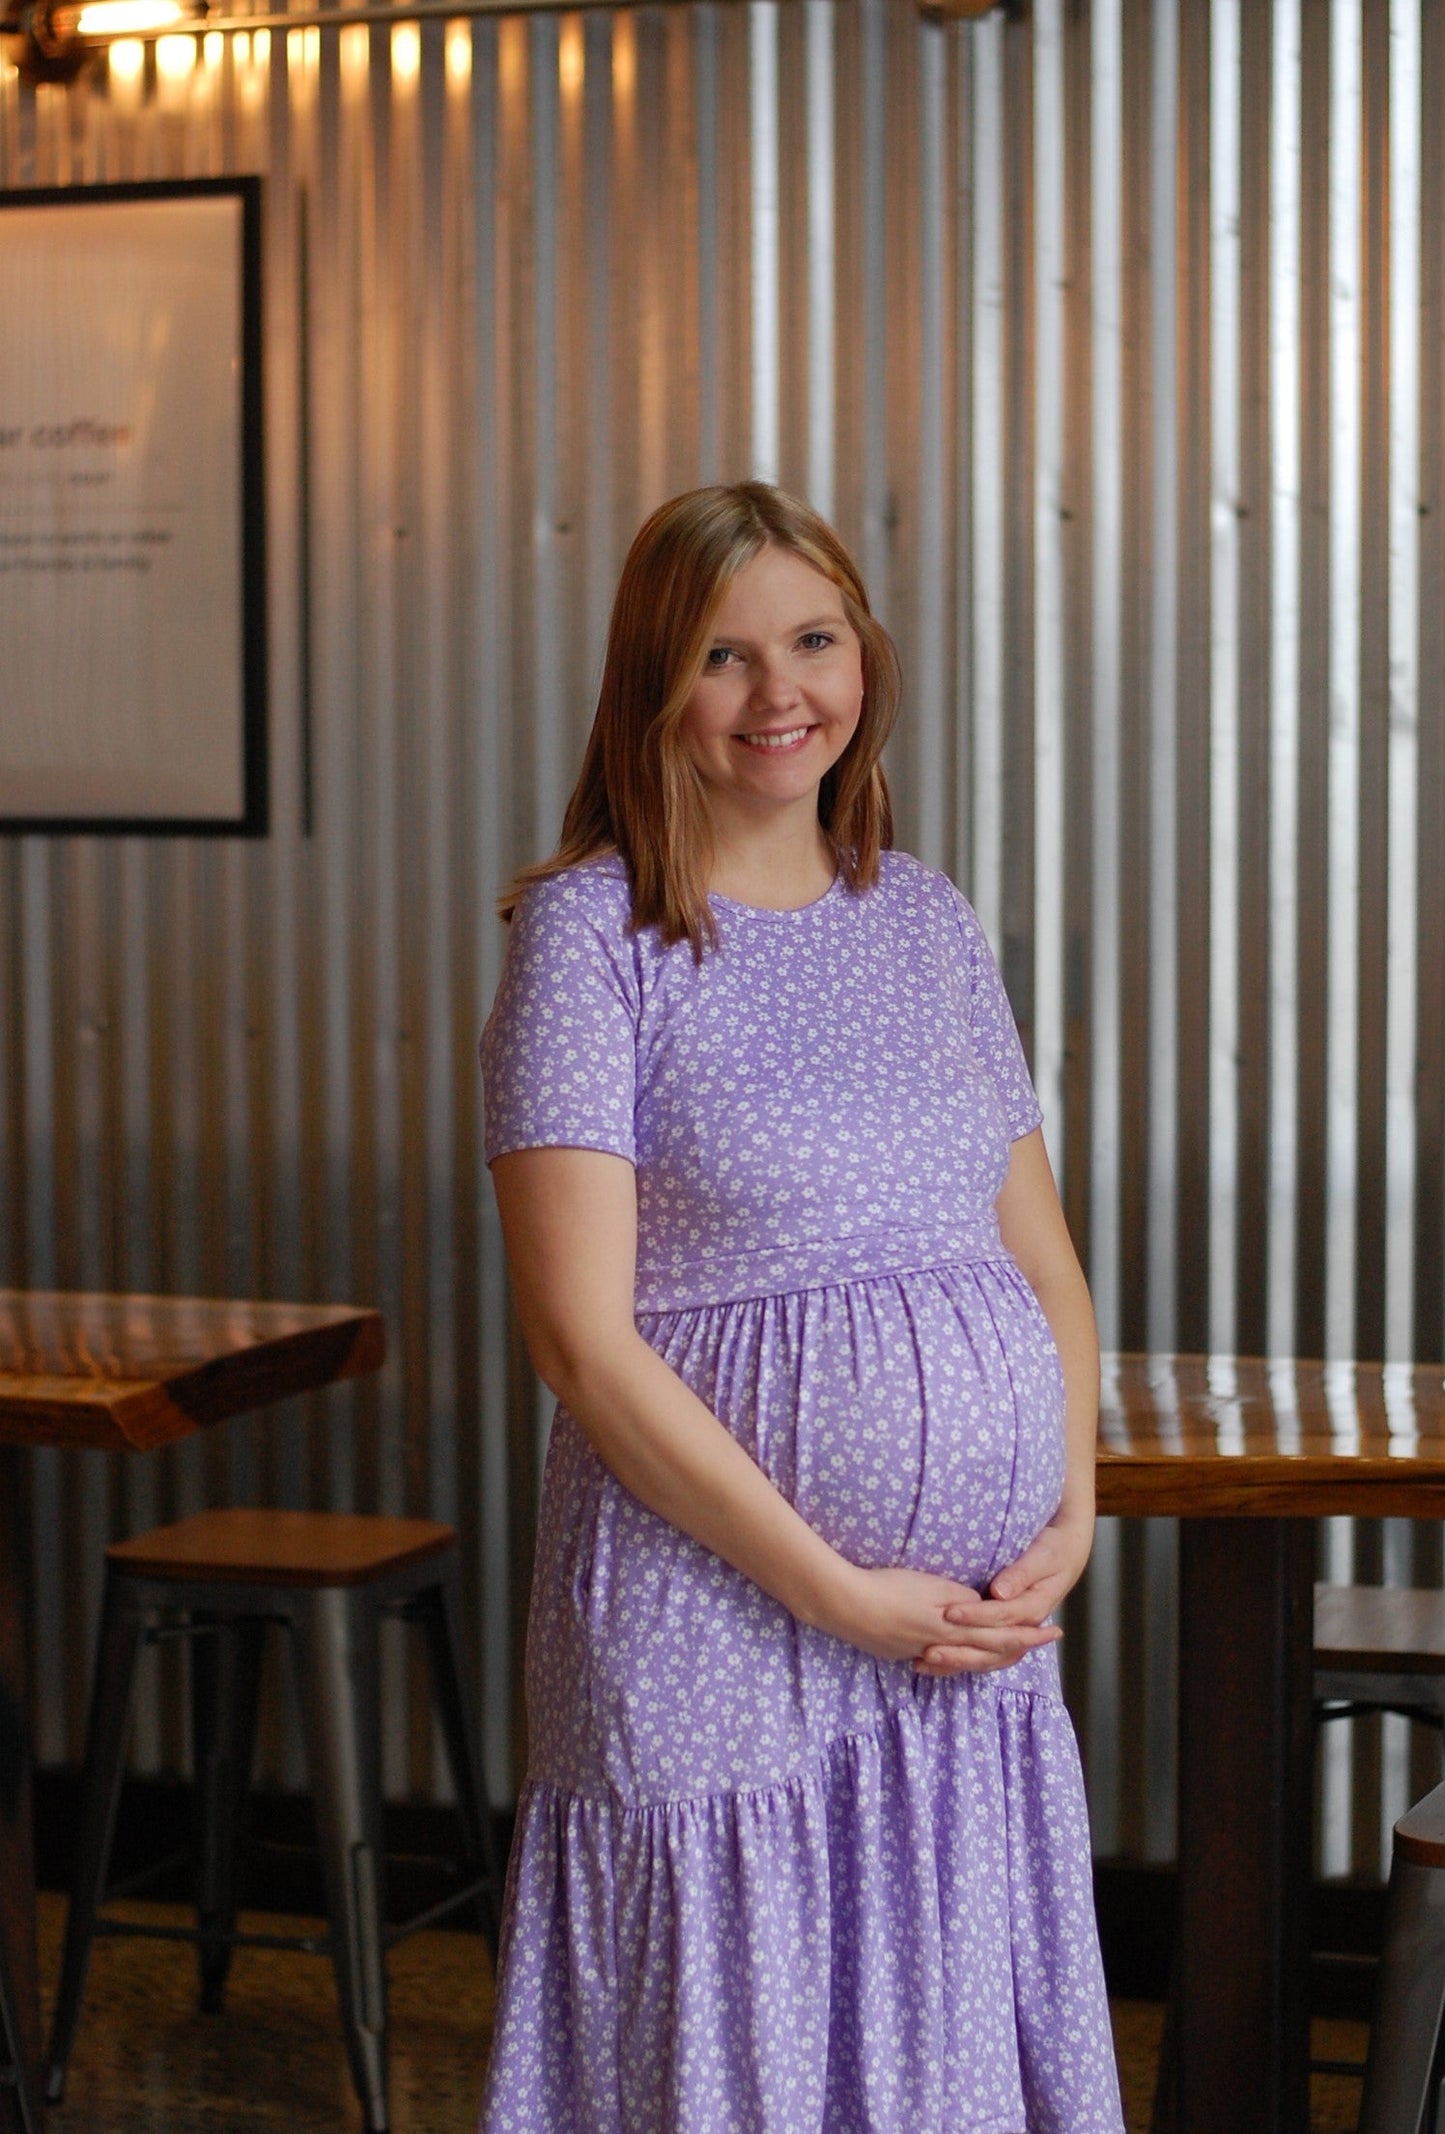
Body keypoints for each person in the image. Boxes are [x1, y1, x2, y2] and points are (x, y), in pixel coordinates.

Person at [478, 481, 1124, 2133]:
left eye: (812, 640)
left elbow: (1038, 1258)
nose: (782, 695)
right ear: (651, 688)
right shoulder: (589, 934)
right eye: (721, 654)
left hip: (962, 1641)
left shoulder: (920, 914)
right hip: (716, 1621)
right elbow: (580, 1341)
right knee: (742, 2057)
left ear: (863, 656)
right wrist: (836, 1591)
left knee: (935, 2042)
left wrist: (1071, 1501)